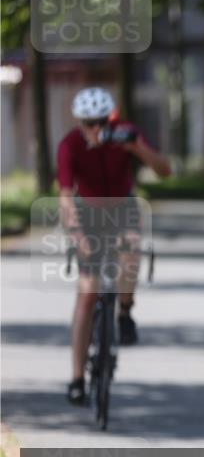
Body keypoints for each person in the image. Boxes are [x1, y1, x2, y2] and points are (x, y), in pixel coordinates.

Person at [58, 86, 171, 405]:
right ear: (79, 122)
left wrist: (137, 149)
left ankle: (125, 311)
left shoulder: (126, 135)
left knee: (130, 246)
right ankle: (78, 378)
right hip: (88, 213)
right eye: (87, 123)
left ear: (111, 119)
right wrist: (77, 234)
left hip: (123, 208)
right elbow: (66, 196)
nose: (95, 129)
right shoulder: (70, 144)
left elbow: (164, 170)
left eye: (100, 122)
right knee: (86, 295)